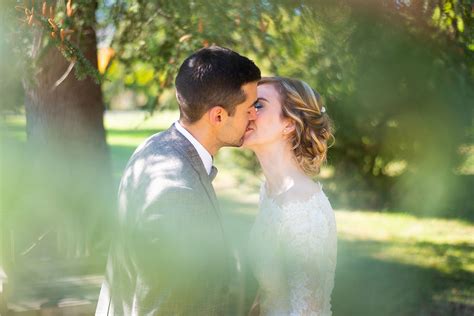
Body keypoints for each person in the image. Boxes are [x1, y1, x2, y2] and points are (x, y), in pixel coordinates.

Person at [96, 46, 261, 315]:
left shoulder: (155, 146)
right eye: (249, 108)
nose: (255, 115)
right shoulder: (177, 193)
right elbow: (163, 306)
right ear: (218, 116)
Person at [243, 77, 337, 315]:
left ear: (289, 124)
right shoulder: (270, 192)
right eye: (248, 104)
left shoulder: (303, 209)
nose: (248, 112)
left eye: (259, 105)